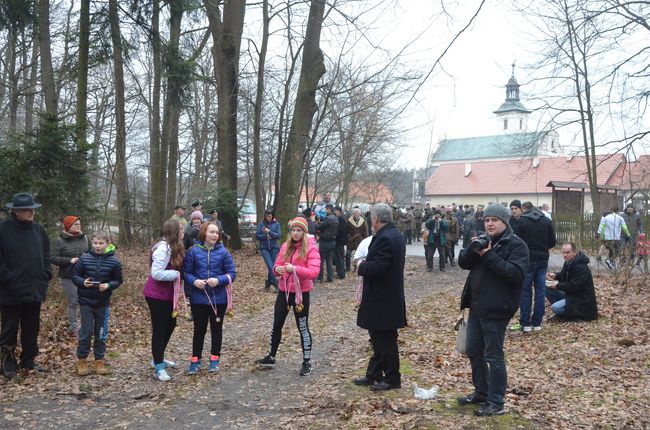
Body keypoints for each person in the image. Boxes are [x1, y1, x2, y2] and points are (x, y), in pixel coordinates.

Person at [457, 203, 529, 417]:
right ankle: (481, 393)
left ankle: (496, 403)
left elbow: (514, 274)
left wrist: (488, 255)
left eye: (494, 220)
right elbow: (463, 263)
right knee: (473, 351)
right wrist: (472, 249)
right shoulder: (484, 241)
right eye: (487, 220)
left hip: (497, 309)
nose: (489, 223)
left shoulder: (516, 245)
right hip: (477, 306)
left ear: (505, 222)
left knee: (494, 357)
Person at [255, 217, 320, 376]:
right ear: (290, 232)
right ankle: (271, 357)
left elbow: (314, 273)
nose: (296, 233)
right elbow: (276, 266)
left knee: (302, 327)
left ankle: (306, 361)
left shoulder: (311, 249)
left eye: (299, 230)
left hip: (301, 294)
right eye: (293, 230)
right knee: (277, 324)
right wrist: (278, 270)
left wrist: (295, 269)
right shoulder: (285, 246)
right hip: (284, 292)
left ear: (304, 232)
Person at [352, 203, 406, 391]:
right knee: (378, 337)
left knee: (385, 340)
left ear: (375, 219)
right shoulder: (392, 234)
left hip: (383, 298)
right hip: (385, 296)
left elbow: (379, 267)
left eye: (371, 218)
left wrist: (360, 265)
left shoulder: (386, 237)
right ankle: (374, 374)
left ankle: (392, 378)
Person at [0, 193, 51, 378]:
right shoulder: (3, 229)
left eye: (32, 209)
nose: (31, 213)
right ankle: (7, 363)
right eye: (26, 210)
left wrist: (46, 273)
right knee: (9, 328)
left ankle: (29, 360)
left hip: (35, 289)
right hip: (10, 291)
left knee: (32, 327)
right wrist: (8, 278)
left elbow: (46, 253)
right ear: (16, 211)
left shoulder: (39, 230)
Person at [184, 222, 236, 375]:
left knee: (216, 329)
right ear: (204, 233)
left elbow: (232, 274)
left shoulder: (224, 252)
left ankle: (215, 359)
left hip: (218, 299)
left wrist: (219, 280)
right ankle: (195, 359)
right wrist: (194, 281)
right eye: (211, 232)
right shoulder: (193, 252)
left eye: (217, 233)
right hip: (198, 298)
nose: (215, 235)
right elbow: (186, 273)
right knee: (199, 330)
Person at [72, 230, 123, 376]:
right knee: (86, 332)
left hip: (103, 303)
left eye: (101, 243)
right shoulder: (84, 258)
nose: (98, 246)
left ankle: (99, 361)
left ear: (108, 244)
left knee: (100, 334)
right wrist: (83, 282)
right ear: (91, 243)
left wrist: (108, 285)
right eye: (95, 243)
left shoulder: (114, 261)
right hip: (86, 302)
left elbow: (118, 280)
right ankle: (82, 360)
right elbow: (75, 276)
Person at [143, 219, 185, 381]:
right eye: (180, 229)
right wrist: (177, 275)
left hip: (167, 295)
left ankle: (158, 356)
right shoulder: (163, 248)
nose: (183, 231)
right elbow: (157, 273)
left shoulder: (174, 248)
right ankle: (158, 366)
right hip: (156, 296)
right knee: (159, 330)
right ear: (174, 232)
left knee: (171, 324)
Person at [510, 201, 556, 333]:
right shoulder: (546, 220)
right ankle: (537, 323)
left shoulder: (521, 221)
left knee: (525, 291)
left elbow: (516, 241)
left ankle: (525, 323)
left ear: (523, 209)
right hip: (542, 259)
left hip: (527, 260)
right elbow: (553, 242)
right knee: (540, 291)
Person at [52, 216, 91, 337]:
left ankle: (86, 326)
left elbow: (91, 252)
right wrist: (69, 260)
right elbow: (53, 258)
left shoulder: (85, 238)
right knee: (74, 301)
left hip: (84, 275)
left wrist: (88, 255)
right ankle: (74, 328)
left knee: (85, 301)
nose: (79, 226)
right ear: (68, 227)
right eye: (76, 224)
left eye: (79, 224)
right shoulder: (60, 240)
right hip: (68, 276)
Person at [546, 243, 597, 321]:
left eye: (568, 252)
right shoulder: (569, 262)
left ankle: (565, 313)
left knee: (555, 307)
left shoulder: (581, 267)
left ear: (574, 252)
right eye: (563, 252)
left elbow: (574, 286)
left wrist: (557, 285)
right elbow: (565, 275)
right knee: (547, 288)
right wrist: (555, 275)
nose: (565, 255)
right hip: (571, 295)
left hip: (581, 301)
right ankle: (562, 312)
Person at [256, 209, 282, 291]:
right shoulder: (261, 224)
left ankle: (268, 283)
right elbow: (257, 235)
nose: (268, 218)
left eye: (270, 216)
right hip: (264, 247)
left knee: (272, 266)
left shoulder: (277, 224)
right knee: (270, 266)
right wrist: (266, 236)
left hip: (274, 247)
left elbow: (278, 236)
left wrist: (269, 232)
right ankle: (277, 285)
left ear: (272, 216)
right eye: (267, 216)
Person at [598, 206, 630, 270]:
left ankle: (610, 262)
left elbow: (603, 227)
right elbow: (624, 228)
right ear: (618, 211)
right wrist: (628, 234)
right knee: (616, 250)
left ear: (612, 210)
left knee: (611, 250)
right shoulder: (620, 218)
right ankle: (610, 261)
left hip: (608, 237)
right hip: (616, 237)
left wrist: (601, 236)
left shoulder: (606, 217)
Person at [317, 204, 338, 282]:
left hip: (324, 242)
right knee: (329, 260)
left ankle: (320, 277)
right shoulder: (336, 218)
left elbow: (320, 227)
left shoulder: (328, 218)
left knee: (321, 260)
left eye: (326, 209)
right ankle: (330, 277)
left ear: (329, 209)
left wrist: (317, 223)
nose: (325, 211)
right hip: (333, 241)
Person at [346, 207, 369, 272]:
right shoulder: (349, 221)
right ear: (352, 214)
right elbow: (346, 231)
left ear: (360, 214)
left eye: (357, 213)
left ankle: (356, 267)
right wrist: (347, 239)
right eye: (354, 213)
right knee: (348, 254)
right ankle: (347, 267)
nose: (355, 214)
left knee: (358, 255)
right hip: (351, 240)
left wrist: (365, 240)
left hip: (359, 240)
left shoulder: (363, 221)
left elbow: (365, 232)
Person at [334, 206, 348, 279]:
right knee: (339, 258)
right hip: (340, 242)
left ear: (339, 211)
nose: (334, 212)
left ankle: (341, 273)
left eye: (335, 211)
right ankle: (340, 272)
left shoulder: (340, 220)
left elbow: (340, 231)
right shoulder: (340, 219)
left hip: (339, 242)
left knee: (339, 258)